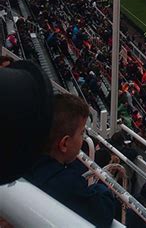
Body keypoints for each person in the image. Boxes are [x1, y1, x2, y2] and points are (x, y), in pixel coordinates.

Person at [25, 93, 115, 228]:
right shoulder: (67, 183)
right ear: (64, 144)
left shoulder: (23, 162)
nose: (83, 138)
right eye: (81, 133)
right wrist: (102, 189)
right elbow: (102, 212)